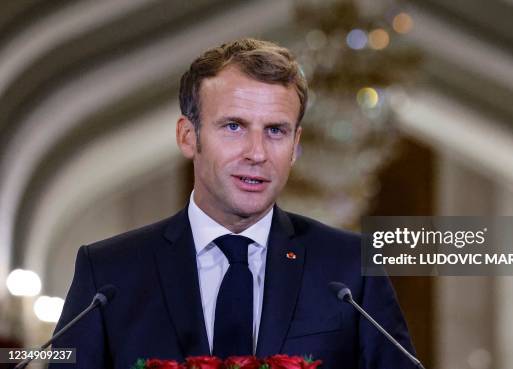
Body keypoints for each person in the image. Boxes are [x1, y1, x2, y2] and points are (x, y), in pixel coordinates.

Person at [50, 38, 418, 369]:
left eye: (276, 130)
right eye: (234, 127)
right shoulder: (109, 274)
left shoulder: (349, 269)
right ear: (188, 136)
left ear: (295, 143)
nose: (257, 153)